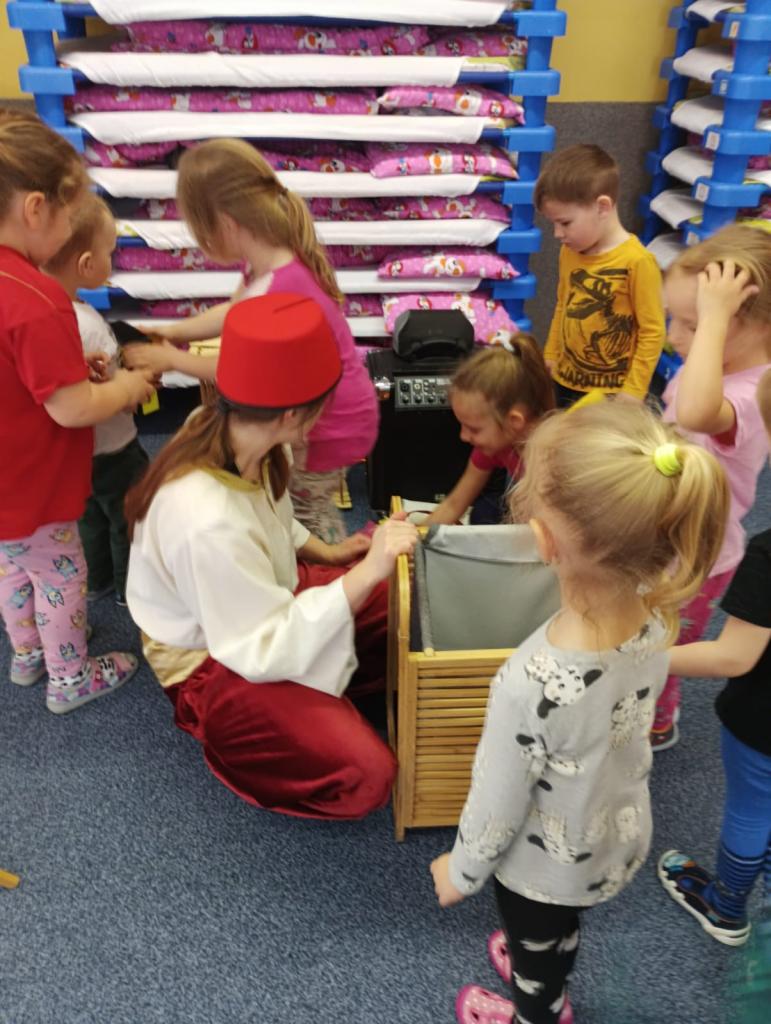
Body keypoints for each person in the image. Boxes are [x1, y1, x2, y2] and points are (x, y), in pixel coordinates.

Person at [429, 401, 729, 1024]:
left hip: (542, 867)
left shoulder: (529, 682)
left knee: (539, 949)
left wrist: (461, 870)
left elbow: (497, 800)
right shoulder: (656, 618)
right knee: (558, 926)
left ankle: (539, 1008)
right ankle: (546, 958)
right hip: (615, 833)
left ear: (543, 541)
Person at [125, 292, 418, 819]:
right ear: (293, 414)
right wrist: (364, 570)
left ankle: (328, 693)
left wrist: (332, 552)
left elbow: (272, 520)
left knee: (402, 592)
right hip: (214, 660)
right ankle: (255, 734)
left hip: (263, 600)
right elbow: (260, 646)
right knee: (367, 776)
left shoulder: (247, 434)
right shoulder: (206, 520)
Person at [122, 138, 378, 544]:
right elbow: (234, 313)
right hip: (322, 411)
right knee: (296, 506)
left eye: (200, 230)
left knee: (307, 513)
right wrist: (176, 333)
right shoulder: (268, 262)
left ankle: (335, 568)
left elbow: (241, 372)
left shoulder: (282, 288)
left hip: (329, 425)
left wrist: (171, 359)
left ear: (225, 225)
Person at [0, 108, 155, 713]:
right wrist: (127, 387)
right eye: (69, 213)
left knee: (14, 569)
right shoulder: (37, 299)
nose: (69, 227)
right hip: (32, 486)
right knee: (62, 574)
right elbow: (72, 409)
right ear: (37, 209)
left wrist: (66, 370)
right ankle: (69, 676)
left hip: (5, 488)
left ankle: (27, 652)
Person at [657, 367, 771, 950]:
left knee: (752, 810)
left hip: (761, 723)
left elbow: (732, 657)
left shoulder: (768, 555)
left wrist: (642, 657)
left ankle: (726, 908)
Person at [651, 225, 771, 751]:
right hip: (664, 532)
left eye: (692, 325)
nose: (674, 337)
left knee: (669, 643)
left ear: (755, 325)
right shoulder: (707, 365)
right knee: (643, 623)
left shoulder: (750, 393)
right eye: (673, 318)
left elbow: (698, 413)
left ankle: (657, 721)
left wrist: (715, 316)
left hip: (699, 555)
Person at [44, 193, 149, 607]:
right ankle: (129, 590)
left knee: (89, 516)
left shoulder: (49, 313)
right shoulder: (89, 326)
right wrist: (139, 383)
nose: (113, 260)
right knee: (127, 517)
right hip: (116, 446)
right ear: (86, 264)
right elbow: (119, 392)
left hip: (77, 451)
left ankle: (99, 580)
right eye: (111, 252)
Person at [535, 144, 666, 407]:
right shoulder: (569, 251)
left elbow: (652, 332)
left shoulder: (638, 262)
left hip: (612, 394)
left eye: (565, 223)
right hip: (565, 382)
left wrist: (634, 390)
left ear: (602, 207)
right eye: (553, 224)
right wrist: (551, 353)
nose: (557, 234)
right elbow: (563, 305)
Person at [424, 338, 554, 526]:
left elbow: (549, 531)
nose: (463, 436)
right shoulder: (498, 443)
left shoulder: (552, 460)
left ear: (514, 421)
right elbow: (453, 505)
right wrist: (415, 536)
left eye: (474, 429)